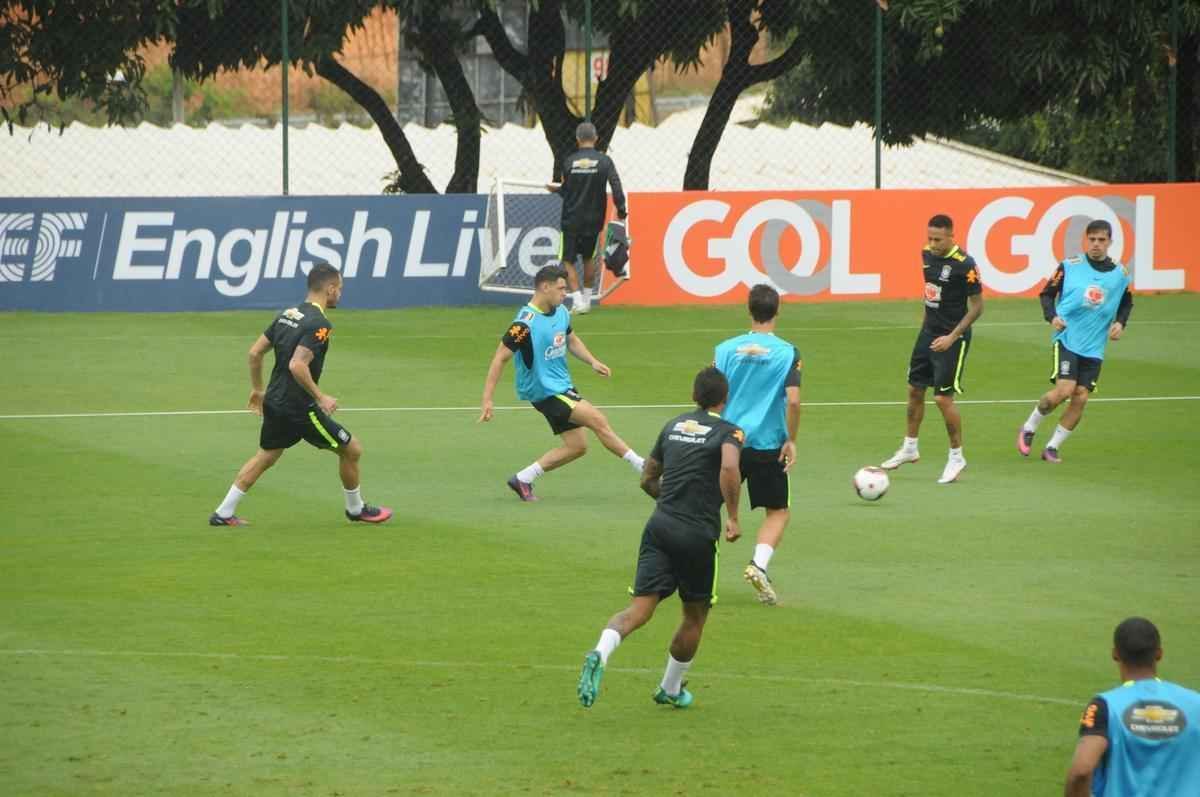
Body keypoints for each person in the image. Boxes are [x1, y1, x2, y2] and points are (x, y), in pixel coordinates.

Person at [577, 366, 743, 710]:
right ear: (725, 400)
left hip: (660, 526)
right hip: (697, 534)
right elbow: (729, 467)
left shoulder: (673, 426)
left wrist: (670, 501)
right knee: (694, 615)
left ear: (693, 396)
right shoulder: (730, 432)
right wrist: (734, 517)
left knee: (638, 610)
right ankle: (669, 688)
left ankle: (601, 651)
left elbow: (647, 477)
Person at [209, 263, 392, 526]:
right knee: (351, 449)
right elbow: (297, 365)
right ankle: (356, 509)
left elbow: (254, 353)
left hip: (275, 400)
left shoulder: (288, 314)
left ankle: (223, 512)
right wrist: (321, 396)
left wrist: (258, 390)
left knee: (267, 455)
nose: (340, 293)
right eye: (339, 288)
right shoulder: (320, 324)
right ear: (329, 289)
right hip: (299, 408)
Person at [479, 264, 645, 502]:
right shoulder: (524, 324)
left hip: (562, 387)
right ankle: (642, 465)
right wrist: (487, 399)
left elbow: (571, 340)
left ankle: (523, 479)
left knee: (577, 446)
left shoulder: (561, 312)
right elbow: (500, 358)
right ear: (545, 287)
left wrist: (592, 362)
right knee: (598, 420)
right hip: (544, 392)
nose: (564, 293)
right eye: (560, 288)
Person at [713, 284, 801, 606]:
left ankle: (684, 568)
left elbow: (713, 394)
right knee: (777, 511)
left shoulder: (724, 350)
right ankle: (758, 565)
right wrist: (790, 440)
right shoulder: (788, 352)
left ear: (748, 310)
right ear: (777, 311)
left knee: (705, 506)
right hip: (767, 444)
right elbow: (793, 401)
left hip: (727, 443)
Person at [1018, 220, 1133, 463]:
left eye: (1102, 240)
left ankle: (1052, 447)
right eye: (1092, 239)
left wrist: (1120, 322)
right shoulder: (1069, 266)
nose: (1096, 244)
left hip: (1095, 346)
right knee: (1065, 390)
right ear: (1085, 240)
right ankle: (1029, 427)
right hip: (1068, 339)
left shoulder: (1120, 274)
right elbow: (1047, 294)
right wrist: (1053, 317)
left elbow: (1126, 301)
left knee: (1080, 397)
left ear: (1110, 242)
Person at [881, 214, 983, 484]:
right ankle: (910, 448)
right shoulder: (926, 254)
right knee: (914, 389)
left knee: (942, 399)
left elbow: (977, 307)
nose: (933, 243)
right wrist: (927, 325)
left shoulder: (966, 265)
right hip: (928, 333)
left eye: (938, 239)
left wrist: (951, 337)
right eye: (930, 238)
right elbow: (931, 293)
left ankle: (956, 456)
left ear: (952, 236)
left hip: (953, 338)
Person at [1064, 617, 1200, 797]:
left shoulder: (1105, 705)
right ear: (1159, 654)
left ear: (1115, 654)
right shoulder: (1195, 703)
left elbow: (1081, 771)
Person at [546, 121, 628, 314]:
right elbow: (616, 185)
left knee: (567, 261)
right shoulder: (604, 161)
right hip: (594, 219)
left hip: (571, 218)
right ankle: (587, 301)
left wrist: (554, 189)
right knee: (588, 258)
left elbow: (566, 191)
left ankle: (577, 301)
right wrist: (622, 209)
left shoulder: (568, 162)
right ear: (596, 138)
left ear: (577, 139)